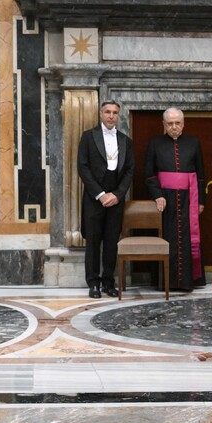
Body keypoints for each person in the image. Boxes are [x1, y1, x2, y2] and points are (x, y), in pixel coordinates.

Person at [77, 101, 135, 298]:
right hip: (95, 198)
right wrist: (101, 195)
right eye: (108, 112)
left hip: (116, 198)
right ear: (101, 114)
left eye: (115, 113)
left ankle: (108, 282)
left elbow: (129, 170)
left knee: (111, 241)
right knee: (93, 241)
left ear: (119, 116)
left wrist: (117, 195)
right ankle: (93, 283)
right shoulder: (88, 137)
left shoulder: (126, 140)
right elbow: (83, 168)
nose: (111, 116)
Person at [144, 107, 206, 291]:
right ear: (163, 125)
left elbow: (201, 175)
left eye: (177, 123)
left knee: (188, 239)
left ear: (183, 124)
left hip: (189, 198)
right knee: (168, 237)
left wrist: (201, 201)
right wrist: (158, 195)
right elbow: (149, 174)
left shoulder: (193, 143)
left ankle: (189, 281)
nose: (174, 127)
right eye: (170, 124)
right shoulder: (155, 143)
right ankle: (166, 281)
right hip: (166, 200)